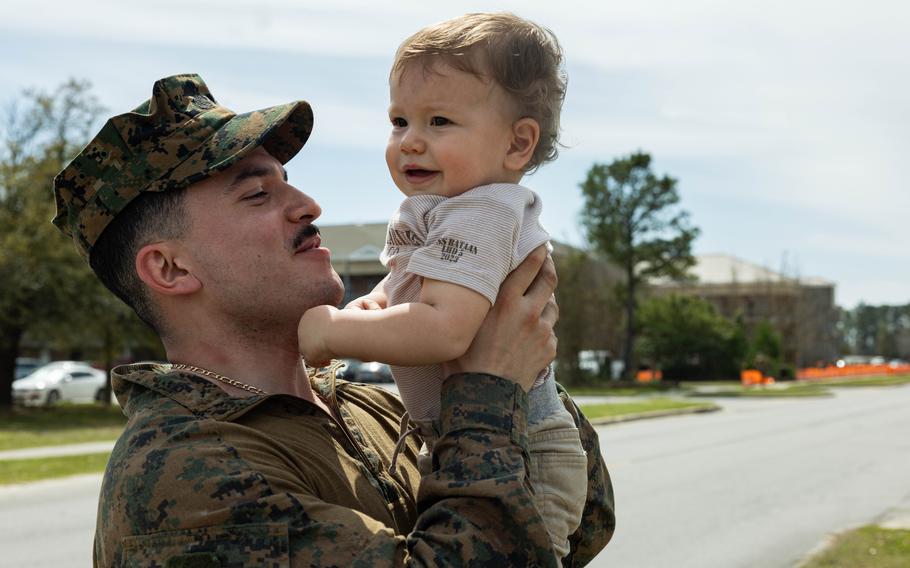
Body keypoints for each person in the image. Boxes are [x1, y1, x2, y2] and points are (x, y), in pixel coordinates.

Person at [53, 73, 614, 566]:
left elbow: (581, 526)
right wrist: (489, 388)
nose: (309, 204)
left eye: (288, 179)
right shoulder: (185, 474)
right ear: (170, 268)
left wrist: (510, 345)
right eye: (256, 194)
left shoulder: (369, 405)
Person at [297, 13, 586, 558]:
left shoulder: (483, 211)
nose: (410, 142)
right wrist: (378, 303)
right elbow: (411, 288)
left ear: (518, 144)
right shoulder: (444, 210)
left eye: (439, 122)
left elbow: (445, 330)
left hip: (528, 450)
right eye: (399, 121)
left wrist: (332, 330)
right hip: (477, 436)